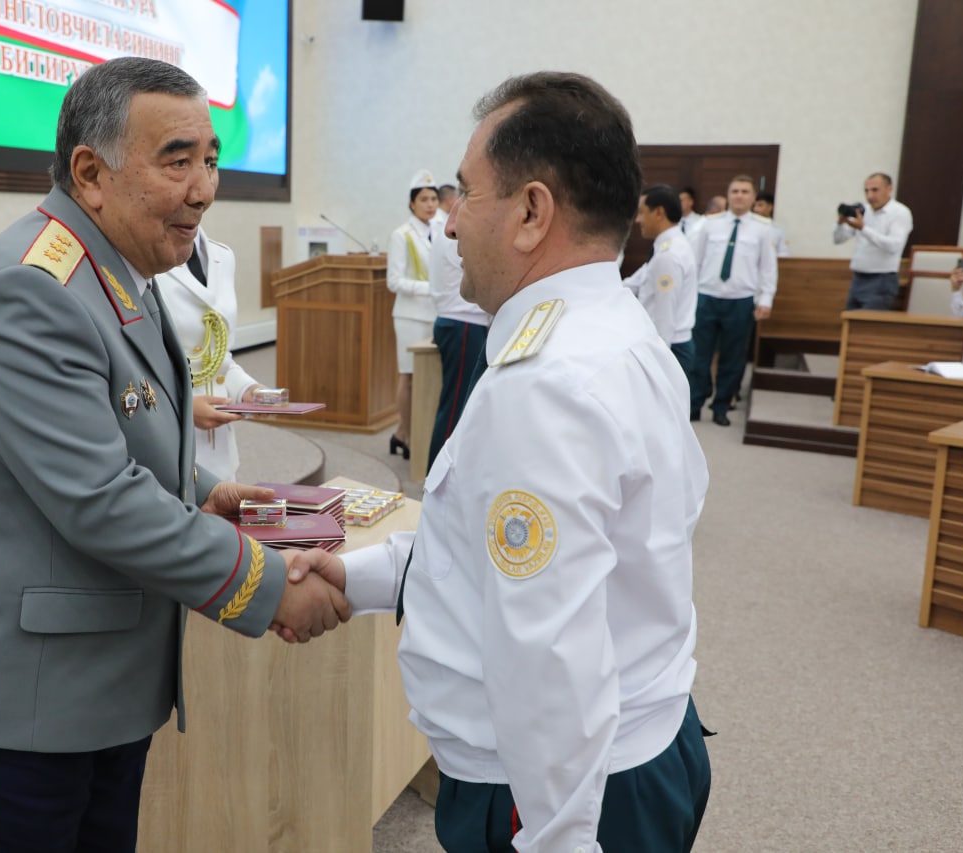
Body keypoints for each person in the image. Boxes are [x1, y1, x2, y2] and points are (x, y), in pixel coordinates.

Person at [0, 58, 350, 853]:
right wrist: (270, 586)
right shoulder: (31, 289)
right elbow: (99, 497)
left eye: (210, 159)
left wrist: (200, 489)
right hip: (20, 702)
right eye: (177, 160)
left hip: (103, 689)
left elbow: (120, 427)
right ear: (90, 173)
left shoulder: (118, 268)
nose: (204, 190)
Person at [286, 71, 711, 853]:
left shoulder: (546, 384)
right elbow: (488, 550)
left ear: (531, 212)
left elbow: (551, 656)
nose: (449, 223)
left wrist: (559, 840)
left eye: (466, 193)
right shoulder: (612, 330)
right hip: (627, 753)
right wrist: (355, 574)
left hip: (558, 793)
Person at [155, 226, 261, 480]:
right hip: (168, 442)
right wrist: (183, 409)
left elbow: (219, 357)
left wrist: (247, 389)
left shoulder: (223, 256)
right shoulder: (148, 254)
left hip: (220, 448)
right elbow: (132, 363)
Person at [689, 175, 778, 426]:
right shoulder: (709, 224)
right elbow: (694, 261)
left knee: (733, 358)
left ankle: (721, 406)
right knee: (700, 356)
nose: (739, 195)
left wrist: (766, 299)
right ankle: (695, 403)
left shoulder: (763, 228)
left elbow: (767, 268)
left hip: (740, 301)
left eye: (745, 191)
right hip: (707, 297)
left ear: (753, 197)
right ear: (728, 195)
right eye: (735, 191)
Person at [426, 195, 490, 470]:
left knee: (455, 405)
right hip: (464, 322)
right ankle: (436, 476)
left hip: (454, 320)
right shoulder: (457, 232)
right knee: (455, 409)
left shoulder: (441, 232)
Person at [385, 169, 441, 460]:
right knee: (408, 377)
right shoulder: (402, 235)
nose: (430, 204)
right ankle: (407, 436)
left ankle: (402, 433)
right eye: (424, 199)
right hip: (410, 316)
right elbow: (394, 281)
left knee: (430, 378)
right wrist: (430, 288)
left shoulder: (441, 230)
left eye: (434, 199)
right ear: (412, 203)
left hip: (437, 314)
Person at [622, 183, 698, 381]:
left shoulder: (668, 255)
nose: (638, 220)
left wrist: (659, 360)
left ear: (659, 213)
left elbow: (665, 314)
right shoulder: (667, 247)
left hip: (669, 348)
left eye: (641, 212)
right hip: (669, 344)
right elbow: (634, 282)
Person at [833, 172, 914, 309]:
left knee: (867, 322)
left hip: (882, 280)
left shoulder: (900, 213)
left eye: (875, 190)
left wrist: (863, 229)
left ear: (889, 189)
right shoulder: (864, 211)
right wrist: (840, 223)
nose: (869, 196)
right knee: (850, 320)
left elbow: (894, 245)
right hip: (858, 278)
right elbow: (838, 239)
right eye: (866, 191)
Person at [752, 191, 790, 257]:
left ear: (770, 207)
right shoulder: (747, 227)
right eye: (754, 206)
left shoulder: (778, 230)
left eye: (760, 205)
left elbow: (784, 252)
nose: (756, 209)